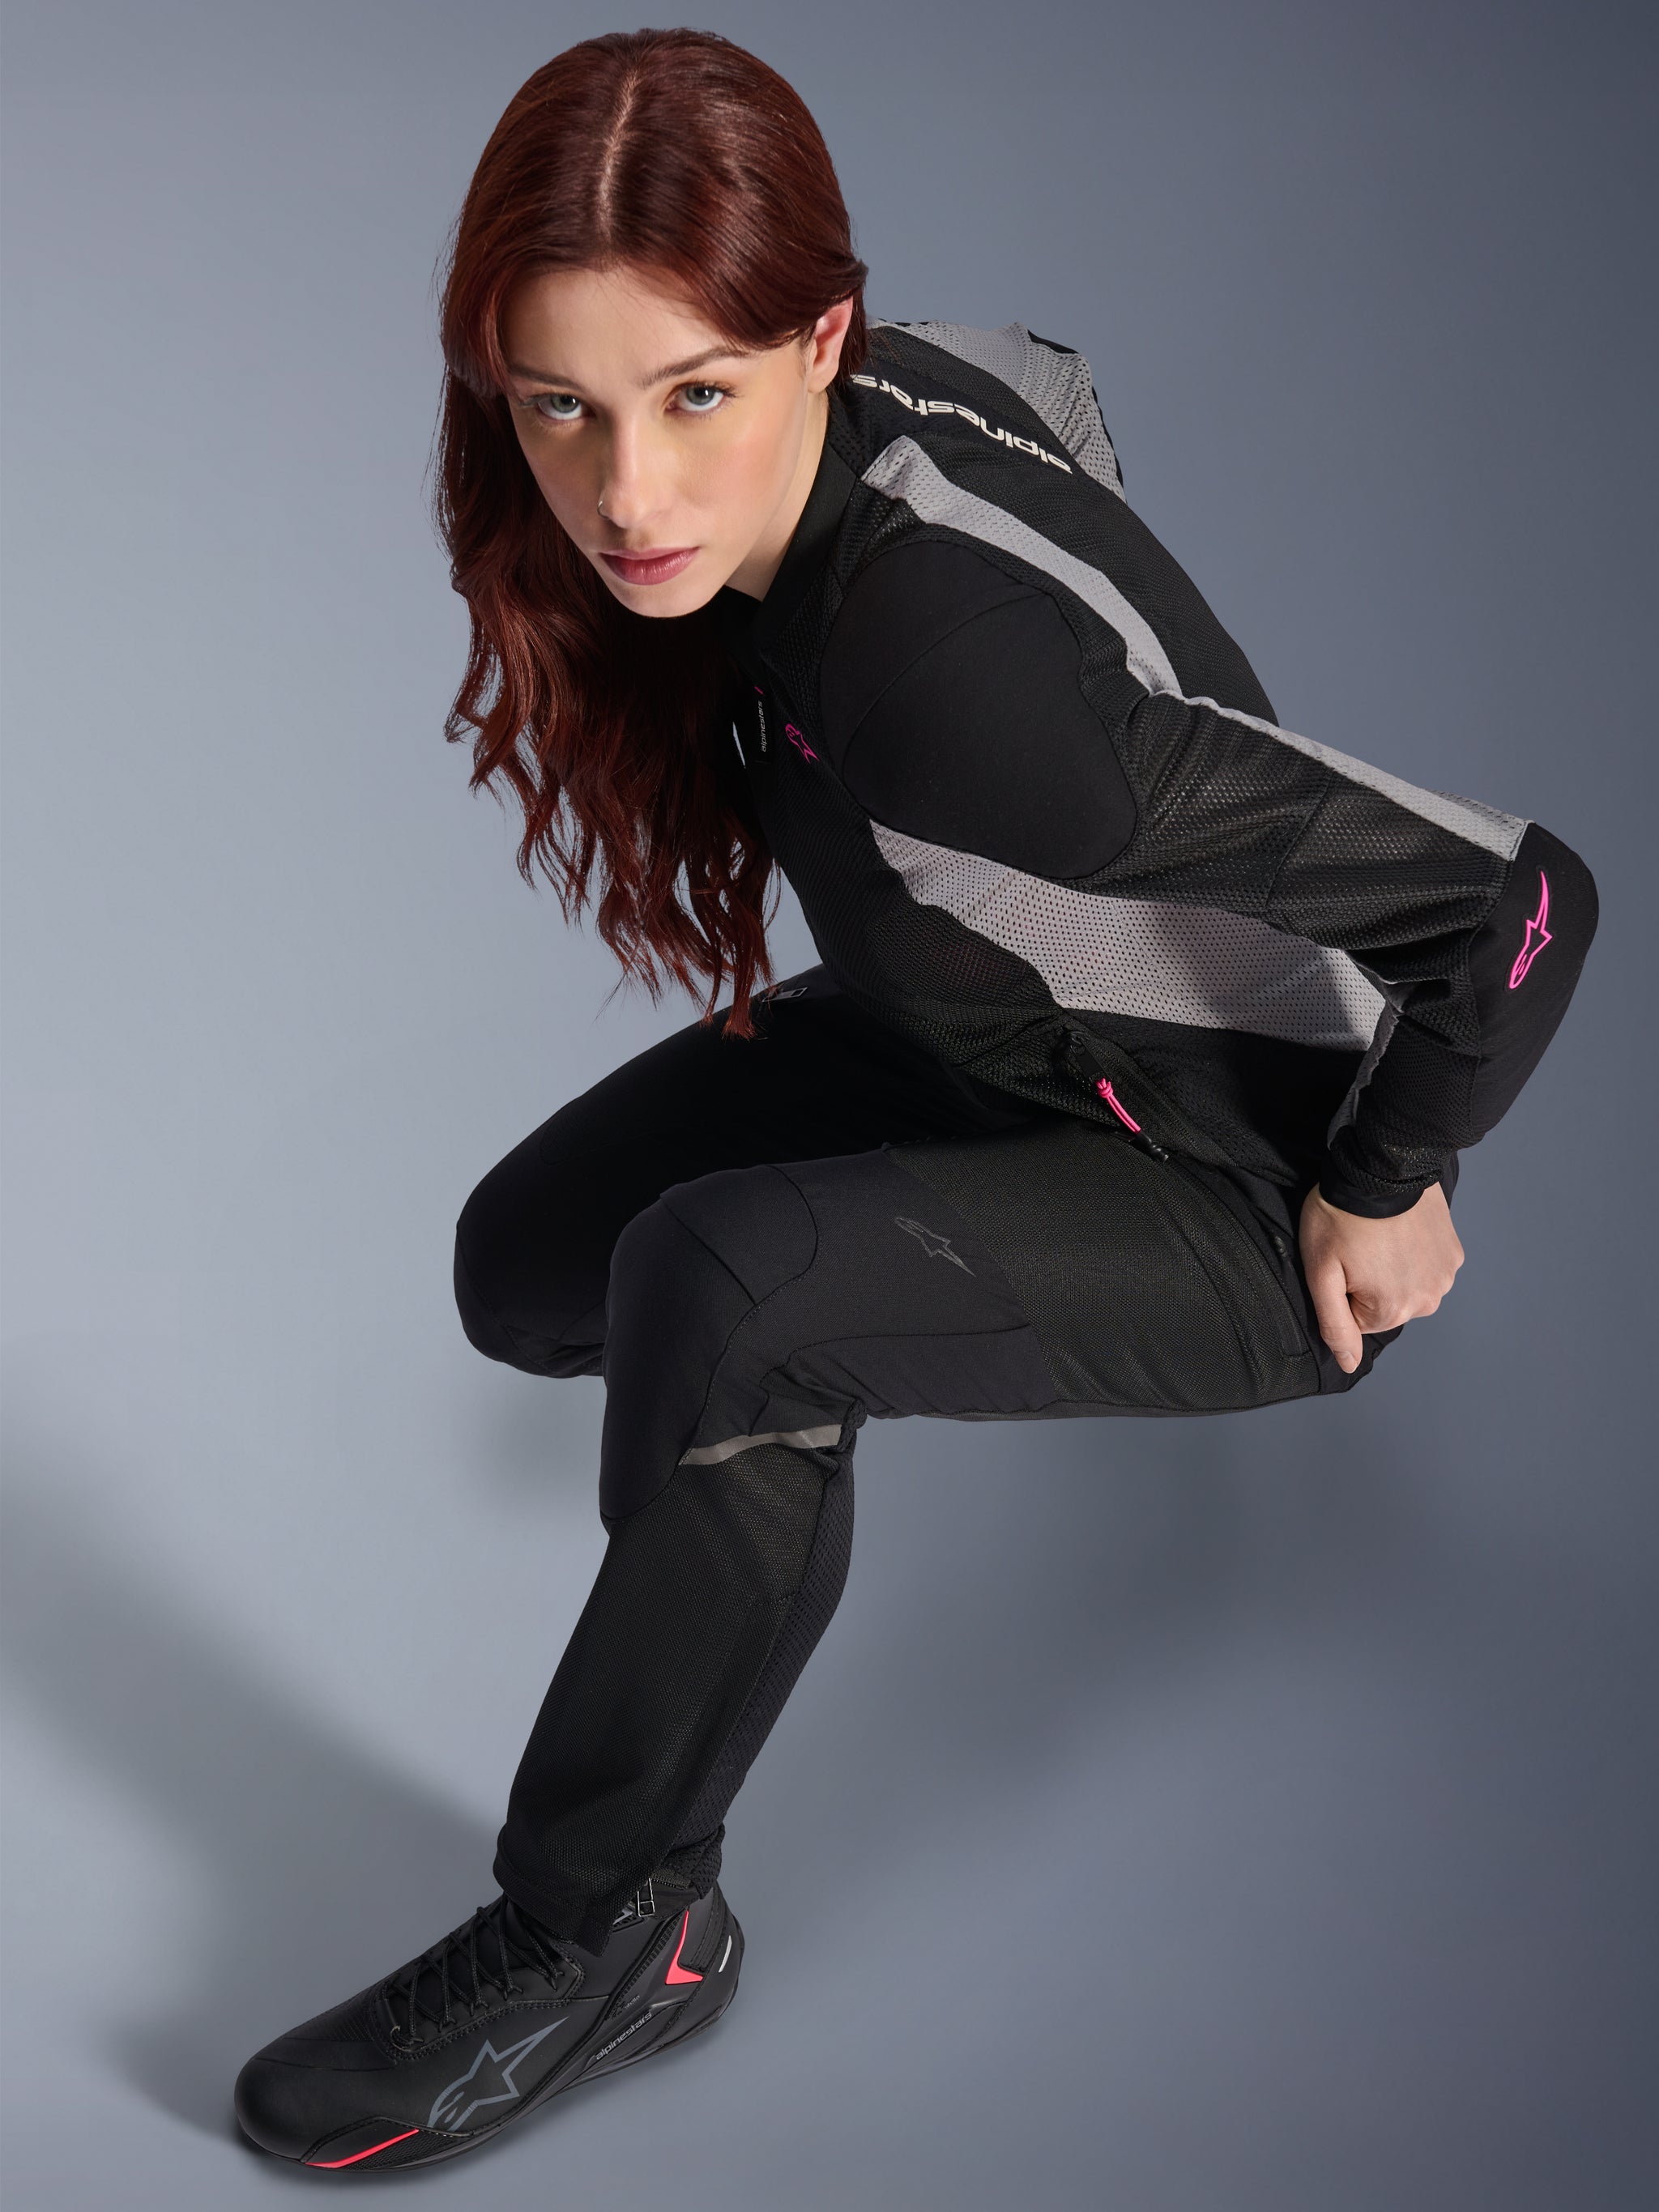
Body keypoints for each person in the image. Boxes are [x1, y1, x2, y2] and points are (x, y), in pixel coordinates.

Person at [232, 27, 1597, 2174]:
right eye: (561, 408)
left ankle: (613, 1930)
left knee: (730, 1296)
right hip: (978, 1034)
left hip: (1230, 1182)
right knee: (533, 1266)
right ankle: (768, 1404)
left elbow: (1524, 900)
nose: (628, 497)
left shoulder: (965, 701)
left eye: (695, 397)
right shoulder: (894, 393)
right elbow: (1057, 383)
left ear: (820, 339)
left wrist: (1390, 1166)